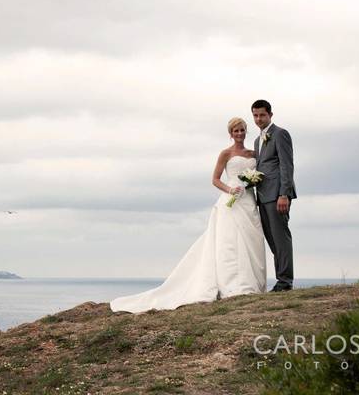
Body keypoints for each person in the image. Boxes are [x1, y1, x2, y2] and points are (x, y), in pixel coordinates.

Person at [110, 117, 266, 313]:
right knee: (230, 243)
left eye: (242, 130)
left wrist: (252, 182)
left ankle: (251, 283)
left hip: (249, 200)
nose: (239, 134)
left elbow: (259, 174)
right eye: (236, 131)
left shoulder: (254, 153)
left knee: (251, 241)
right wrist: (229, 189)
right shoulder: (225, 153)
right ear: (230, 133)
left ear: (246, 131)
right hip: (231, 201)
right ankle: (233, 285)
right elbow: (215, 179)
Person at [251, 99, 296, 291]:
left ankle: (285, 281)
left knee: (280, 237)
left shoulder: (280, 134)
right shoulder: (257, 140)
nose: (259, 118)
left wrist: (284, 194)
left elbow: (287, 165)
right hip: (262, 196)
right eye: (255, 115)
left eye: (262, 115)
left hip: (278, 195)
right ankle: (281, 279)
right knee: (271, 238)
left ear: (270, 114)